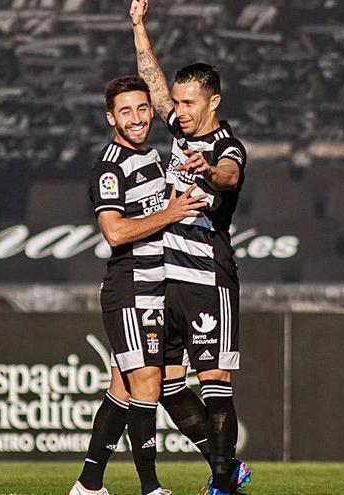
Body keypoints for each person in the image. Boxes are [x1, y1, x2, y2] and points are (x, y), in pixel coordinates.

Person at [130, 2, 251, 494]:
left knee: (214, 383)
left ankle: (221, 484)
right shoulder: (179, 128)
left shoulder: (227, 147)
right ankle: (227, 465)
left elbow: (231, 175)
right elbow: (153, 83)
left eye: (188, 103)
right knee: (168, 386)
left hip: (208, 276)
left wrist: (207, 170)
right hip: (166, 278)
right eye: (177, 103)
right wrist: (139, 27)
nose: (176, 111)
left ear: (213, 102)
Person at [73, 75, 206, 495]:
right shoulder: (109, 168)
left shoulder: (151, 157)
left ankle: (89, 485)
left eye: (142, 108)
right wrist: (171, 212)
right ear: (110, 117)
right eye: (126, 111)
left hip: (157, 287)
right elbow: (113, 232)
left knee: (123, 387)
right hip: (131, 290)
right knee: (148, 382)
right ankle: (151, 487)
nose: (137, 118)